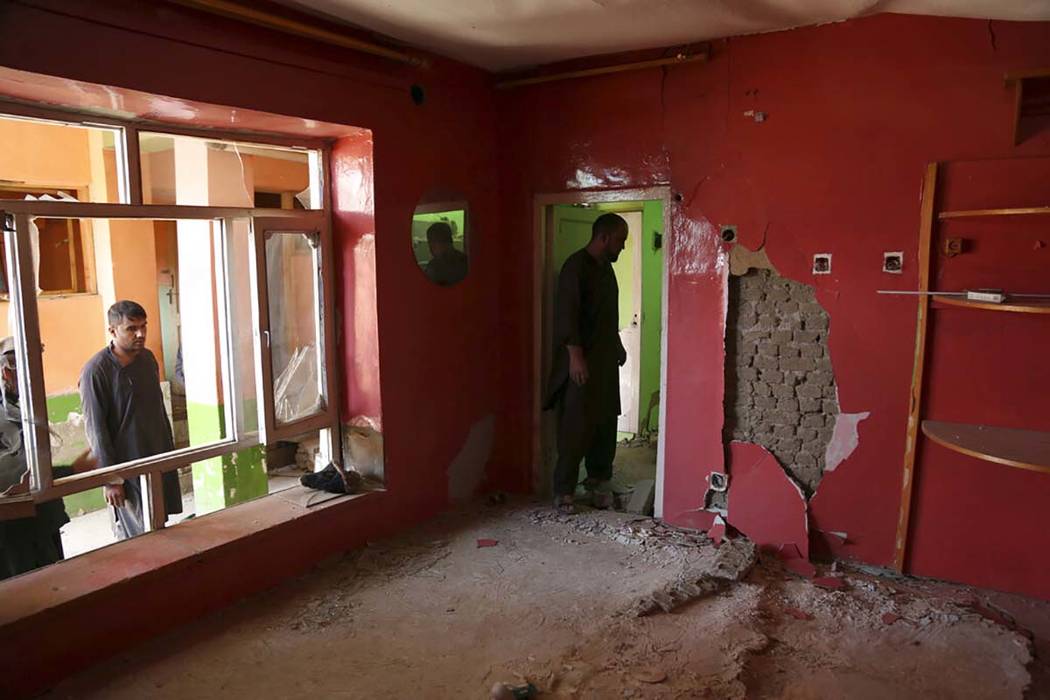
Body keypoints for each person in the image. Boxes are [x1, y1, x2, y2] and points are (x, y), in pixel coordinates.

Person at [544, 213, 629, 515]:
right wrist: (575, 357)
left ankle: (596, 482)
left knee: (605, 422)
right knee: (575, 425)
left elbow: (607, 314)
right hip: (581, 361)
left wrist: (617, 344)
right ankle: (564, 490)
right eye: (620, 241)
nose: (622, 247)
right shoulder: (575, 267)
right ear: (604, 237)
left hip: (605, 361)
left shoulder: (606, 270)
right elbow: (568, 314)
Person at [80, 300, 182, 540]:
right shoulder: (96, 371)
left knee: (159, 523)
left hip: (156, 454)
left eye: (144, 327)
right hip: (125, 466)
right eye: (131, 328)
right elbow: (96, 430)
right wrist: (111, 479)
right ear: (113, 331)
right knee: (135, 533)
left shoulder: (147, 360)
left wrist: (169, 455)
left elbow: (157, 410)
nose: (140, 334)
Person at [0, 337, 95, 579]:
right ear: (7, 371)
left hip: (39, 521)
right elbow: (14, 477)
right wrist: (72, 470)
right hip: (16, 533)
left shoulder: (15, 407)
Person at [424, 222, 469, 286]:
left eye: (435, 241)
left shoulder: (464, 263)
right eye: (429, 242)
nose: (431, 246)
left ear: (447, 241)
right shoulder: (432, 265)